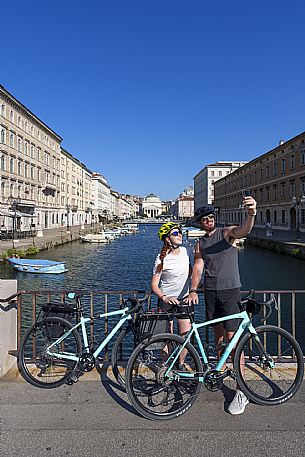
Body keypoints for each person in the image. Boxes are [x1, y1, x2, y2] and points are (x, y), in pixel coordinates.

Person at [186, 195, 257, 415]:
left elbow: (243, 230)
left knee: (232, 340)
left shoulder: (225, 233)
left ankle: (241, 391)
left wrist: (252, 213)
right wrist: (193, 289)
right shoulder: (200, 243)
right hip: (211, 293)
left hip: (229, 292)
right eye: (205, 219)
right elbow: (197, 267)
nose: (209, 221)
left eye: (211, 217)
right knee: (218, 338)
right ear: (199, 222)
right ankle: (221, 372)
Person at [151, 222, 193, 365]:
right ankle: (166, 366)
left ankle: (180, 364)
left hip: (184, 299)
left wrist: (195, 288)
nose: (179, 235)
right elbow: (154, 285)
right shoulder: (161, 259)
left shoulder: (185, 252)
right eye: (175, 233)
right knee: (166, 337)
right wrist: (165, 297)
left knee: (185, 336)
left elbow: (190, 272)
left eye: (180, 232)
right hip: (166, 301)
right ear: (168, 239)